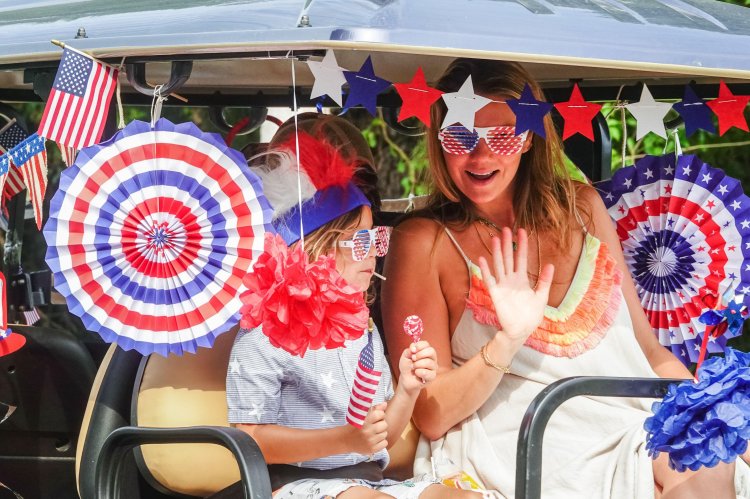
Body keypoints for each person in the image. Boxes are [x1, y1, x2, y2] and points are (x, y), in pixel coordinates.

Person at [381, 58, 750, 498]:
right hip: (524, 439)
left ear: (529, 139)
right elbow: (431, 413)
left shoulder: (582, 206)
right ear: (439, 141)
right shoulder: (423, 241)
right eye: (459, 136)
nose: (480, 155)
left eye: (501, 135)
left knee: (705, 451)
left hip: (632, 420)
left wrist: (710, 410)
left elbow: (649, 352)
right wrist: (507, 340)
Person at [226, 122, 482, 499]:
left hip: (367, 481)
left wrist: (407, 391)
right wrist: (344, 438)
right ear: (313, 251)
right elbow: (248, 438)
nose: (375, 252)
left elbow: (381, 438)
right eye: (359, 242)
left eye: (376, 238)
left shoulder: (362, 328)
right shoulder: (266, 333)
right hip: (289, 484)